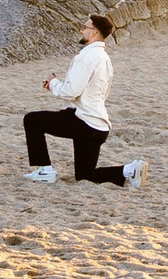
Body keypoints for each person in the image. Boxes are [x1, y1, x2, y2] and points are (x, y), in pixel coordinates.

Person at [22, 14, 144, 188]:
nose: (81, 30)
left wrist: (53, 83)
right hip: (99, 126)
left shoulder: (86, 57)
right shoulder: (104, 58)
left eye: (84, 27)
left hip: (84, 122)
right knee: (85, 175)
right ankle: (128, 170)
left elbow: (71, 91)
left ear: (93, 33)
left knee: (32, 120)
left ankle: (44, 170)